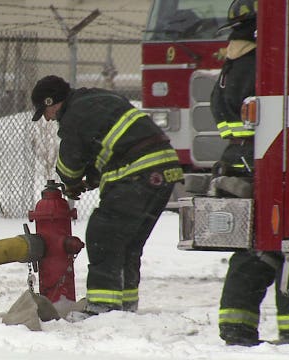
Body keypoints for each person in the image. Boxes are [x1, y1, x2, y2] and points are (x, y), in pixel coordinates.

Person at [30, 75, 183, 315]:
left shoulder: (73, 116)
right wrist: (90, 179)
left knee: (103, 236)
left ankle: (103, 309)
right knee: (128, 245)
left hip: (137, 173)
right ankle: (125, 307)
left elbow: (70, 165)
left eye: (45, 112)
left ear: (52, 102)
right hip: (164, 171)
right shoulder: (98, 99)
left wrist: (70, 182)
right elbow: (112, 147)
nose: (48, 119)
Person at [211, 0, 289, 346]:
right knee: (276, 245)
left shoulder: (232, 65)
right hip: (267, 163)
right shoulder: (266, 62)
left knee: (259, 248)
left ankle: (237, 327)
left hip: (243, 162)